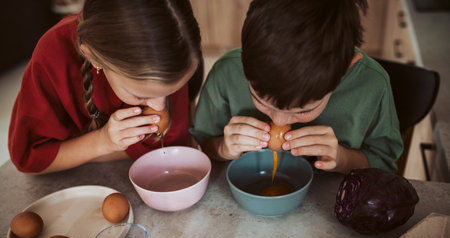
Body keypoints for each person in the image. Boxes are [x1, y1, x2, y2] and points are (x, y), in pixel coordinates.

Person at [190, 0, 403, 174]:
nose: (278, 121)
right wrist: (223, 148)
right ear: (246, 56)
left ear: (346, 69)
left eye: (305, 110)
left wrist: (342, 158)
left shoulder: (372, 85)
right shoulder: (226, 73)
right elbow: (204, 145)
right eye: (259, 99)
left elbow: (384, 165)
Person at [9, 0, 203, 174]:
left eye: (169, 93)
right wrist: (103, 142)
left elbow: (169, 146)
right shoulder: (52, 56)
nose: (160, 106)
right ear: (93, 57)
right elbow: (29, 160)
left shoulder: (172, 52)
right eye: (139, 95)